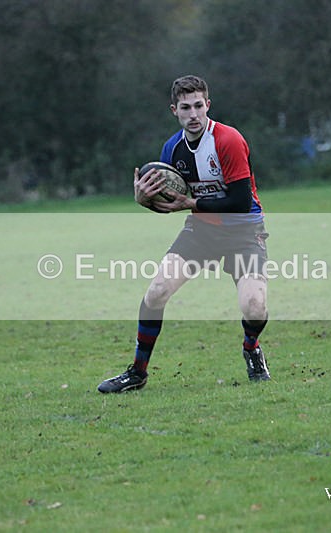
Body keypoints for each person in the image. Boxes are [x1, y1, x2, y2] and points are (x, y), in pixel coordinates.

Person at [97, 75, 270, 393]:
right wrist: (143, 200)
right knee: (157, 291)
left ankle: (251, 349)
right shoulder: (172, 149)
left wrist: (190, 202)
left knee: (254, 306)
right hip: (201, 232)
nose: (193, 114)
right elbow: (168, 203)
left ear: (208, 106)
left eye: (199, 106)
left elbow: (240, 201)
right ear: (174, 110)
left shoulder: (228, 140)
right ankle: (137, 372)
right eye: (186, 107)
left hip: (244, 232)